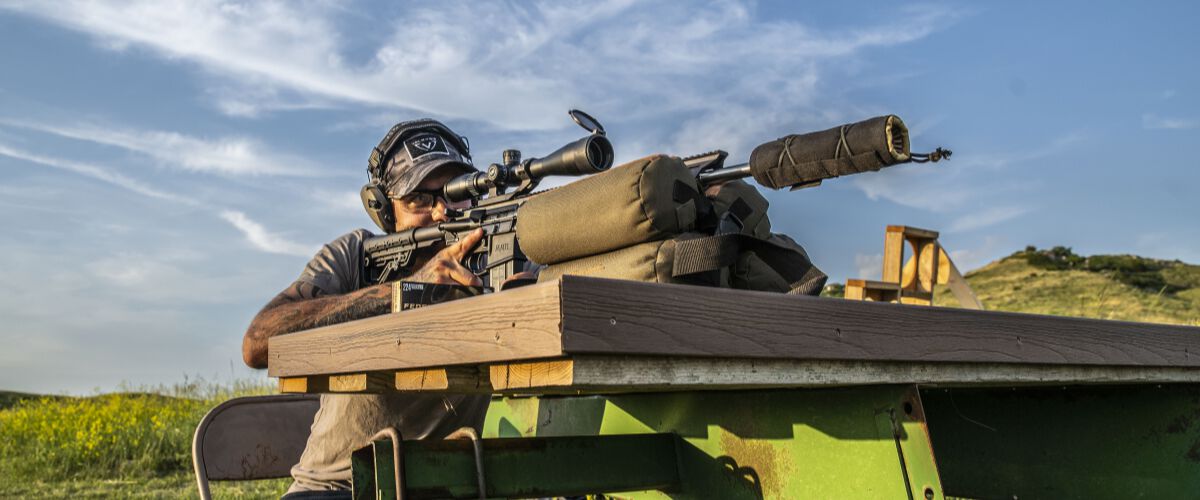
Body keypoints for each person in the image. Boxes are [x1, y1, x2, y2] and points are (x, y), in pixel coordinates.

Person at [241, 119, 494, 498]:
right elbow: (257, 343)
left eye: (455, 192)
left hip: (444, 485)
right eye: (420, 200)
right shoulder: (354, 258)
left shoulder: (496, 253)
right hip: (335, 487)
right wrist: (402, 293)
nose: (442, 212)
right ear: (385, 211)